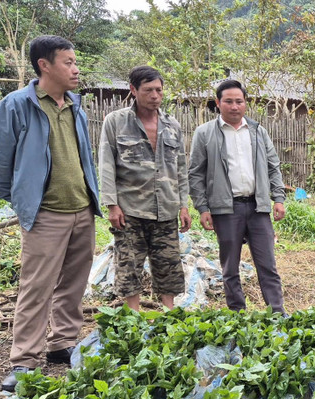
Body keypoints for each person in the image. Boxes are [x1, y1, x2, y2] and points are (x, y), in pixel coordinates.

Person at [0, 35, 101, 391]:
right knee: (37, 287)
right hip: (46, 213)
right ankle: (24, 360)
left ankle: (62, 343)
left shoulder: (75, 106)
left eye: (75, 61)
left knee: (73, 284)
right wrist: (23, 200)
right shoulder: (18, 104)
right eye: (68, 62)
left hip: (81, 208)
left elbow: (84, 157)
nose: (76, 68)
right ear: (44, 65)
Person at [188, 79, 286, 313]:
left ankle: (277, 312)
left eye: (239, 101)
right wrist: (202, 208)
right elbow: (195, 173)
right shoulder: (204, 133)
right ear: (218, 103)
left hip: (257, 207)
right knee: (230, 267)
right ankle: (237, 313)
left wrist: (278, 198)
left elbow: (273, 166)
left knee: (267, 264)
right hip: (225, 209)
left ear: (246, 103)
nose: (234, 106)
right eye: (229, 101)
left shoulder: (257, 131)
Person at [98, 66, 191, 311]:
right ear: (133, 90)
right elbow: (106, 164)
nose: (155, 95)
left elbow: (181, 167)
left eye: (159, 90)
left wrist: (184, 205)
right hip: (130, 210)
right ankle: (133, 316)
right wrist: (111, 204)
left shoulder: (172, 126)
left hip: (166, 208)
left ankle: (170, 314)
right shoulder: (116, 122)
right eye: (148, 90)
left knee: (169, 265)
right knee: (129, 266)